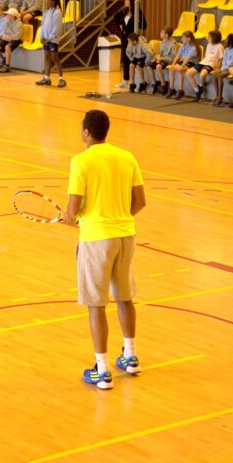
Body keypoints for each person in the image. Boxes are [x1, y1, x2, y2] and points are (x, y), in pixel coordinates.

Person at [63, 109, 146, 390]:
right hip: (126, 235)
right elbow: (140, 201)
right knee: (124, 298)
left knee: (96, 304)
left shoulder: (81, 161)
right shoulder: (127, 156)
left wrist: (70, 217)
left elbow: (73, 209)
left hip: (97, 239)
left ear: (86, 132)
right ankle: (131, 356)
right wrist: (120, 217)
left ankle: (102, 370)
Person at [115, 0, 146, 88]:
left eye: (127, 0)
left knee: (133, 59)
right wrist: (120, 27)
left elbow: (144, 26)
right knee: (125, 59)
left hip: (134, 40)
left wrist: (139, 20)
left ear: (131, 1)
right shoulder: (123, 11)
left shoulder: (138, 12)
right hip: (125, 38)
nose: (125, 1)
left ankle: (134, 80)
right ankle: (125, 80)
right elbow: (115, 18)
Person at [36, 0, 65, 88]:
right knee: (47, 58)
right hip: (46, 39)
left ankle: (61, 79)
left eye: (50, 0)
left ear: (54, 2)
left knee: (54, 58)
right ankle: (46, 78)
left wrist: (49, 38)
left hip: (53, 39)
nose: (48, 2)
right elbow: (43, 25)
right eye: (48, 0)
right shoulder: (47, 12)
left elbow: (56, 28)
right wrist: (42, 36)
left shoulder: (58, 13)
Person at [186, 29, 224, 99]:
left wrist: (218, 68)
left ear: (214, 38)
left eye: (209, 37)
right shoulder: (209, 45)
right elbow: (207, 56)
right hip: (204, 62)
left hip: (211, 64)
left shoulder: (220, 46)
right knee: (188, 73)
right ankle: (197, 90)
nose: (207, 38)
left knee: (202, 75)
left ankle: (201, 86)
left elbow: (221, 59)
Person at [0, 8, 24, 73]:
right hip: (6, 38)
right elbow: (3, 33)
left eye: (8, 15)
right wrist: (6, 37)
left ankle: (7, 66)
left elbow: (18, 36)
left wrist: (9, 37)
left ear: (12, 16)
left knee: (7, 47)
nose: (6, 16)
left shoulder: (19, 24)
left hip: (16, 40)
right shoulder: (7, 22)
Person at [166, 31, 202, 98]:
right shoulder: (183, 45)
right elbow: (178, 55)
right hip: (183, 61)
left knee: (180, 70)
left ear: (189, 38)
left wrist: (182, 66)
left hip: (191, 62)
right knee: (171, 69)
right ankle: (171, 88)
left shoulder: (194, 47)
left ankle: (181, 90)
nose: (181, 39)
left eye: (183, 37)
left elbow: (188, 58)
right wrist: (173, 64)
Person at [212, 33, 233, 107]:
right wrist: (221, 69)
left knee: (220, 76)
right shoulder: (227, 50)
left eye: (227, 40)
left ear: (231, 42)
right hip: (225, 68)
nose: (225, 41)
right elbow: (224, 61)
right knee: (214, 74)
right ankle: (217, 94)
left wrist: (221, 70)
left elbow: (231, 64)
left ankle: (220, 96)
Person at [145, 26, 177, 95]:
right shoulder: (163, 42)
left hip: (168, 60)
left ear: (167, 35)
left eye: (162, 32)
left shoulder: (173, 44)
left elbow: (173, 57)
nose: (160, 33)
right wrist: (158, 57)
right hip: (162, 59)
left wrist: (162, 59)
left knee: (158, 66)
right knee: (149, 66)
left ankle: (163, 84)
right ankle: (154, 84)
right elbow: (161, 53)